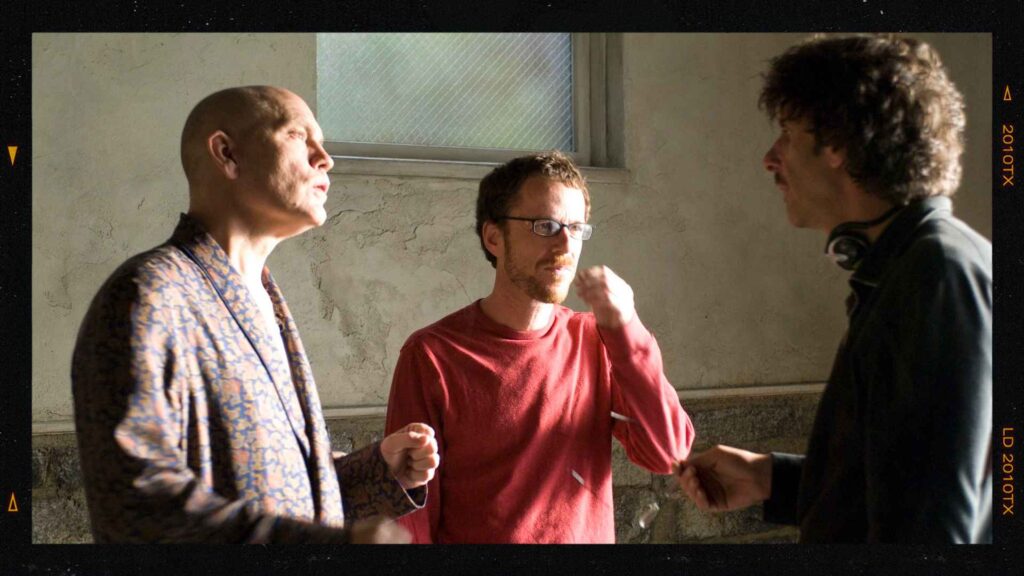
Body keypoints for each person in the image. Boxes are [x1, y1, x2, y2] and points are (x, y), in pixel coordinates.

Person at [71, 86, 440, 544]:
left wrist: (377, 470)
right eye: (297, 136)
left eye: (322, 143)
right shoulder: (150, 295)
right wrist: (332, 547)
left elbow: (278, 490)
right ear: (227, 154)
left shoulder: (264, 297)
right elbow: (136, 507)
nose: (325, 159)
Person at [676, 35, 992, 543]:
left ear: (838, 145)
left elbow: (933, 527)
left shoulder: (936, 276)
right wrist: (770, 479)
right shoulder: (910, 267)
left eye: (786, 134)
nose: (770, 159)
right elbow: (903, 483)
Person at [385, 150, 695, 543]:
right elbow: (411, 513)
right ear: (494, 237)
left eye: (576, 228)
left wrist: (627, 330)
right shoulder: (432, 355)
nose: (566, 245)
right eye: (545, 226)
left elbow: (668, 453)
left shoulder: (597, 341)